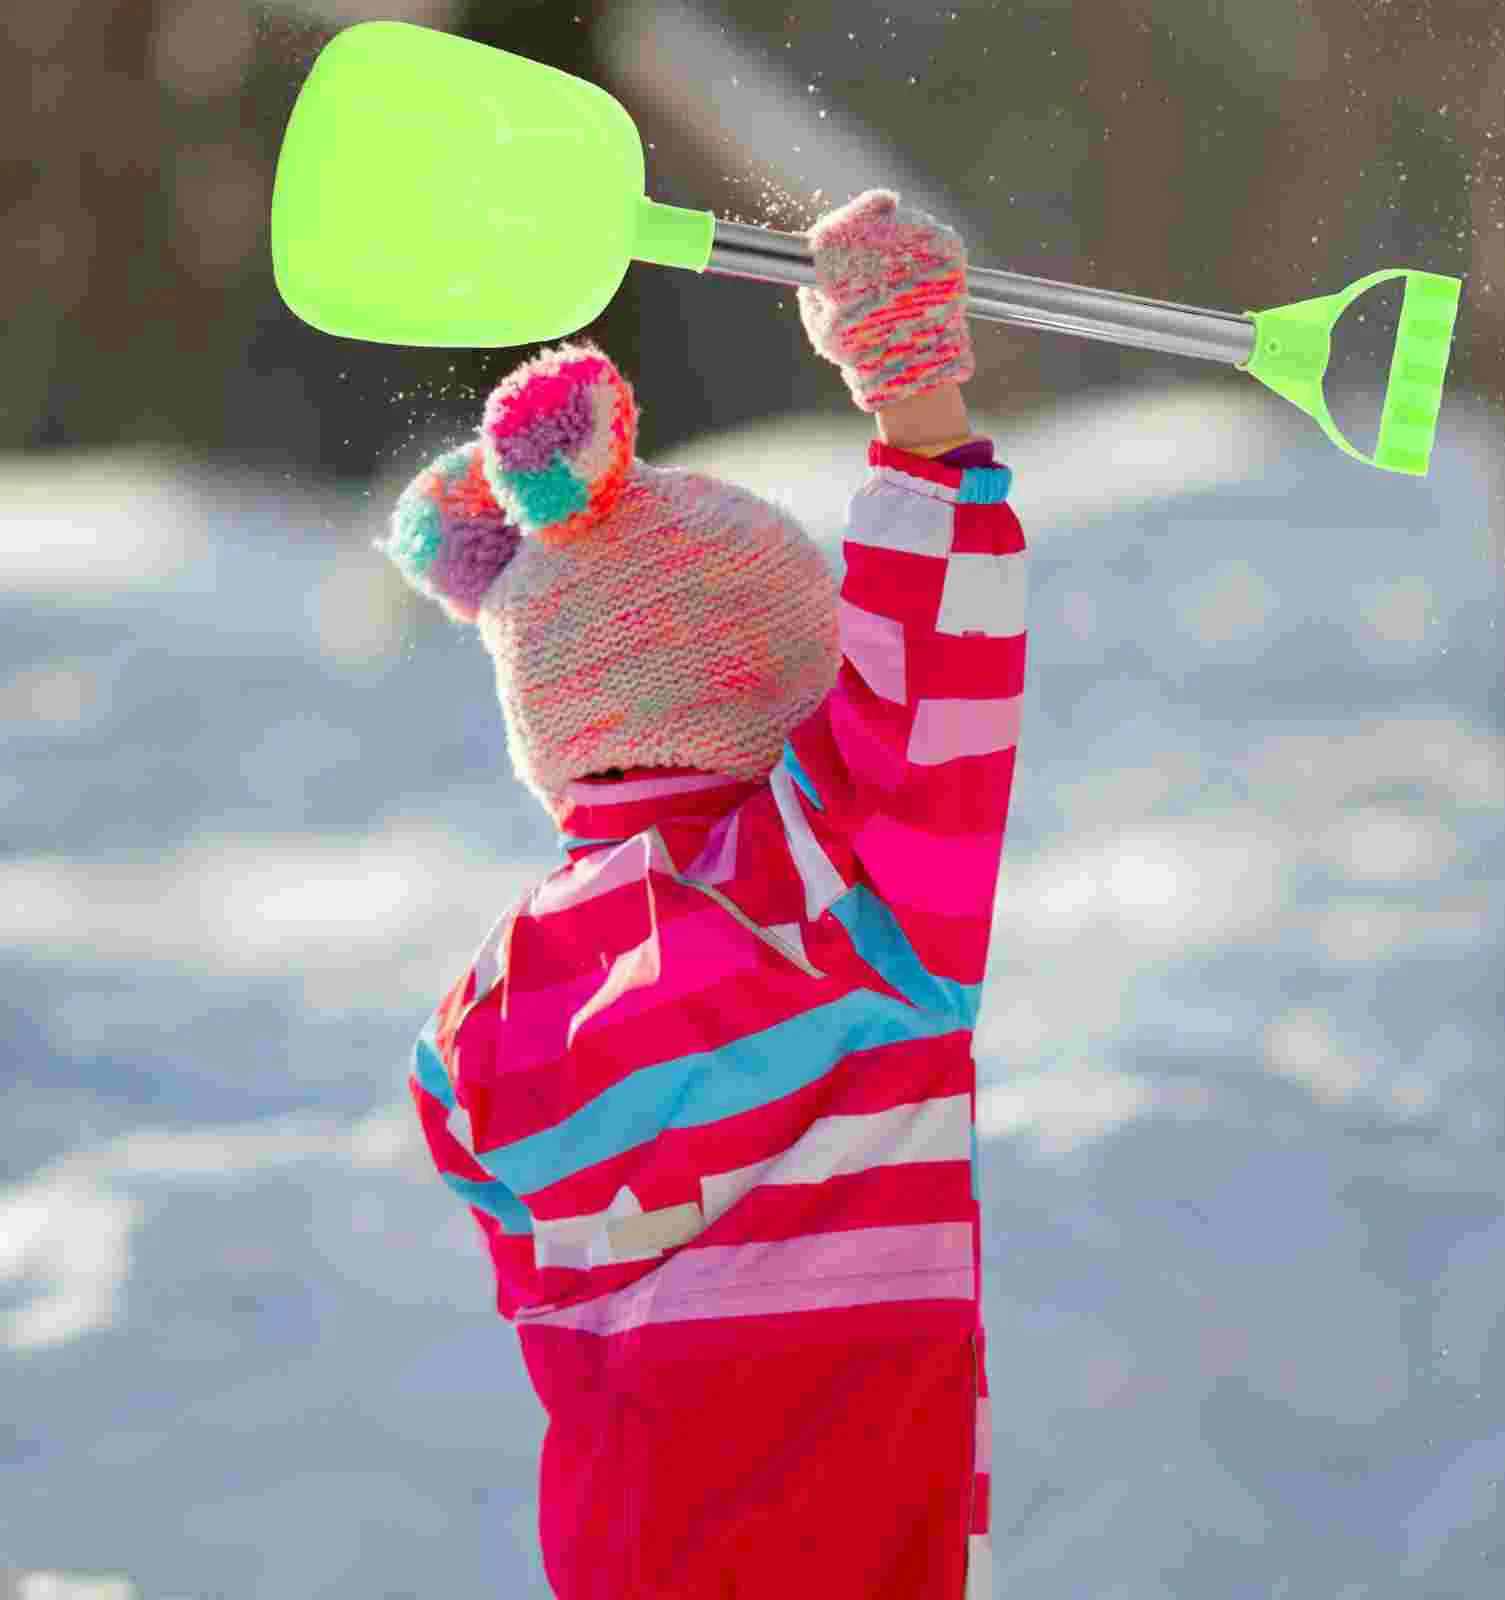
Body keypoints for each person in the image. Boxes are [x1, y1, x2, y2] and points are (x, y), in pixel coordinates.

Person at [378, 188, 1027, 1600]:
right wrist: (912, 392)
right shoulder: (841, 898)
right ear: (775, 688)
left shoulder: (477, 1025)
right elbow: (929, 674)